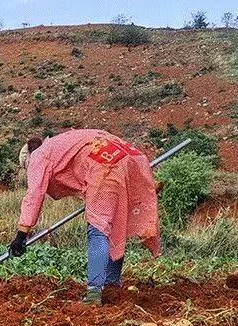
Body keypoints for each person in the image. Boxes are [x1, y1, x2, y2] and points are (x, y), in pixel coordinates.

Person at [11, 129, 160, 305]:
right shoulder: (59, 144)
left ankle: (94, 293)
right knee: (114, 225)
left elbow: (34, 194)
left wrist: (21, 234)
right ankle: (111, 285)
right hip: (128, 159)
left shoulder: (38, 155)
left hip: (103, 166)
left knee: (98, 229)